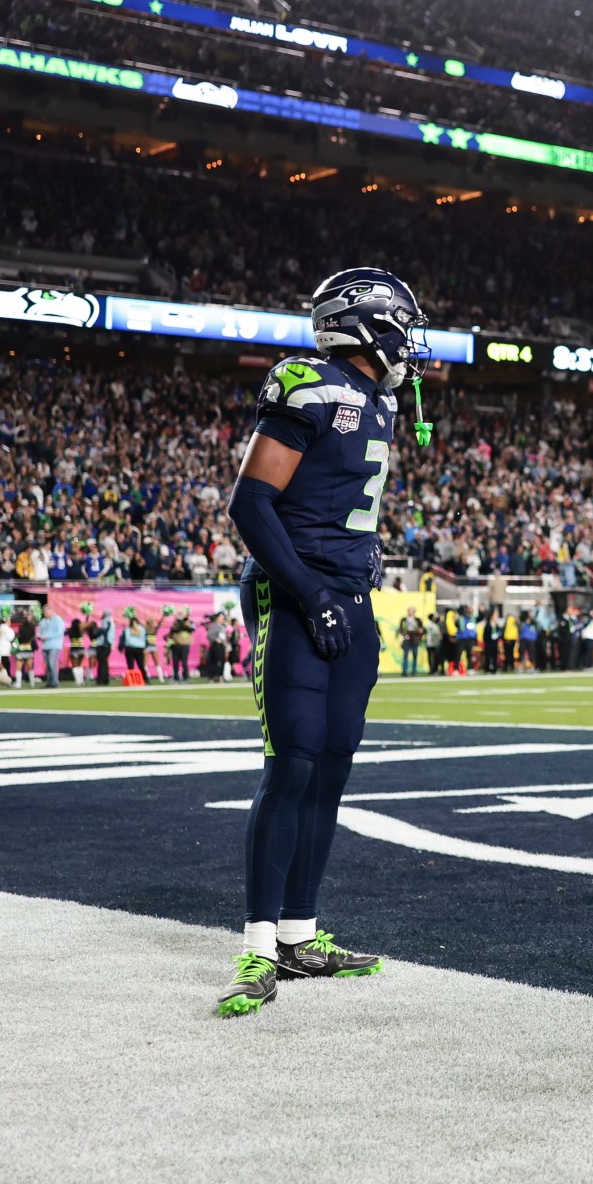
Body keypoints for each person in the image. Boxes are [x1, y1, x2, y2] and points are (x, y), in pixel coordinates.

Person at [215, 266, 429, 1018]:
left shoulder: (381, 398)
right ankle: (259, 943)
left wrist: (353, 570)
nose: (411, 334)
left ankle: (302, 933)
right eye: (402, 319)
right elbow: (251, 500)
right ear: (367, 321)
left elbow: (341, 498)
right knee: (293, 760)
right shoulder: (308, 383)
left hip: (349, 593)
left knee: (333, 763)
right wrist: (307, 591)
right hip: (296, 592)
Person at [397, 607, 424, 677]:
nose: (410, 612)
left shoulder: (418, 620)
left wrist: (421, 632)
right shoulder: (404, 620)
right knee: (405, 655)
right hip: (407, 639)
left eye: (412, 611)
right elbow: (400, 629)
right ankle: (404, 671)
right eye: (409, 611)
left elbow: (422, 629)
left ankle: (414, 671)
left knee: (415, 655)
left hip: (415, 639)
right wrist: (403, 635)